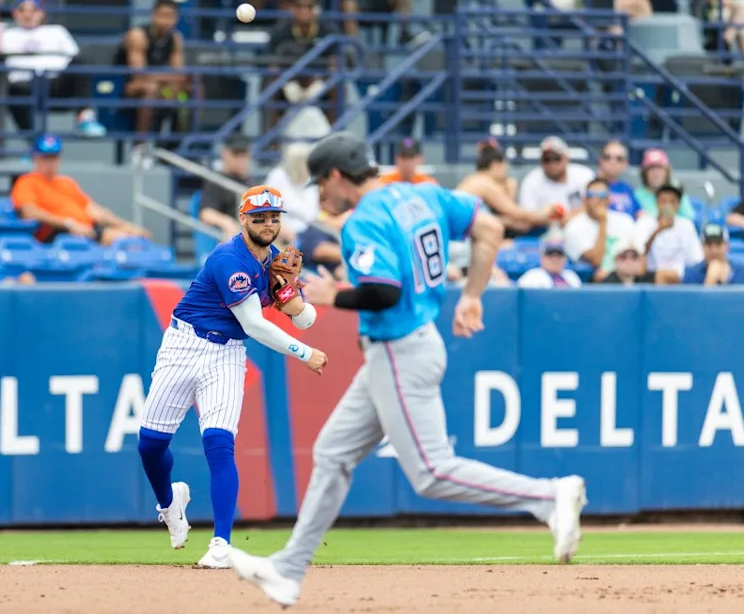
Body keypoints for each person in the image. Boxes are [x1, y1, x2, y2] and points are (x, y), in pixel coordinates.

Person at [227, 132, 587, 607]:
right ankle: (289, 570)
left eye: (322, 183)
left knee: (431, 471)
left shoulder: (364, 221)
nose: (321, 194)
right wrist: (472, 296)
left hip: (399, 348)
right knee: (333, 452)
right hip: (409, 344)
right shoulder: (424, 193)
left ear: (337, 176)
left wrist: (329, 296)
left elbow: (384, 291)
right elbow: (491, 231)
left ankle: (548, 496)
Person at [137, 185, 328, 570]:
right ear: (244, 219)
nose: (268, 224)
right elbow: (254, 324)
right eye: (260, 217)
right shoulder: (229, 258)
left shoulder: (275, 260)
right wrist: (304, 353)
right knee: (150, 446)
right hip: (183, 344)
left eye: (274, 217)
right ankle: (169, 503)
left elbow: (307, 319)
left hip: (225, 355)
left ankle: (221, 543)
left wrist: (293, 299)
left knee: (219, 444)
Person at [0, 0, 105, 137]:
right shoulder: (5, 35)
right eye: (22, 10)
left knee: (82, 61)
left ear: (41, 13)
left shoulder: (56, 31)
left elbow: (75, 58)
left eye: (33, 10)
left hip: (56, 82)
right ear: (14, 13)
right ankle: (34, 144)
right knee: (11, 90)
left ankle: (85, 118)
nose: (28, 15)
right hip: (23, 85)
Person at [11, 135, 149, 244]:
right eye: (46, 158)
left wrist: (125, 225)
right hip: (57, 234)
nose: (50, 163)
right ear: (36, 158)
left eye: (54, 157)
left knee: (134, 236)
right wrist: (68, 223)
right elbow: (29, 211)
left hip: (87, 229)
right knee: (123, 241)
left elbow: (93, 210)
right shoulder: (27, 181)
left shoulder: (66, 183)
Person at [116, 0, 188, 144]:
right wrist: (167, 78)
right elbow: (139, 75)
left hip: (163, 88)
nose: (166, 20)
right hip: (129, 88)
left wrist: (170, 81)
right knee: (151, 90)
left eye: (171, 16)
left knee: (187, 91)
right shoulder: (137, 36)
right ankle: (140, 145)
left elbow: (179, 74)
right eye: (162, 15)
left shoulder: (175, 38)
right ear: (153, 15)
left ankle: (178, 146)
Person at [457, 140, 558, 236]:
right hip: (461, 233)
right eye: (505, 167)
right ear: (496, 165)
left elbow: (502, 216)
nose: (506, 174)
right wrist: (543, 213)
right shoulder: (485, 183)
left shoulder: (474, 179)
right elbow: (515, 213)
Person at [563, 178, 636, 281]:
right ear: (585, 200)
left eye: (602, 195)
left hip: (628, 275)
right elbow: (596, 261)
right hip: (596, 281)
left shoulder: (625, 220)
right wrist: (603, 223)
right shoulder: (574, 226)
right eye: (592, 195)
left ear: (609, 199)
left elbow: (638, 256)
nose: (597, 199)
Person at [635, 183, 703, 279]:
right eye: (664, 201)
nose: (668, 206)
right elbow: (639, 254)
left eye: (672, 202)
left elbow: (695, 259)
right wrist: (658, 231)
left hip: (681, 277)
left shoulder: (687, 225)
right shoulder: (644, 222)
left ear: (678, 205)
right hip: (651, 276)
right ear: (657, 203)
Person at [518, 136, 595, 221]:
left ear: (566, 158)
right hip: (542, 230)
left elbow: (598, 203)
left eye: (556, 158)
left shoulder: (584, 175)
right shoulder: (531, 181)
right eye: (547, 159)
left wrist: (571, 216)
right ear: (541, 161)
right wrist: (544, 216)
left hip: (580, 226)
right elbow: (526, 216)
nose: (552, 163)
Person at [199, 134, 253, 239]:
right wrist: (226, 222)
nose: (241, 159)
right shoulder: (216, 181)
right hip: (230, 235)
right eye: (236, 154)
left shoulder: (250, 182)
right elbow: (206, 214)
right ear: (225, 154)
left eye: (244, 154)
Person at [264, 142, 319, 239]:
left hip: (311, 229)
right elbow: (269, 213)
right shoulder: (277, 176)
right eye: (298, 162)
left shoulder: (310, 179)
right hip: (284, 233)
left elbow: (313, 213)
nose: (301, 166)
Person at [634, 149, 694, 220]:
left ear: (666, 172)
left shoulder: (675, 191)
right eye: (651, 169)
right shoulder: (637, 195)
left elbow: (689, 218)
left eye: (660, 168)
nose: (656, 173)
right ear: (644, 173)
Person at [599, 238, 678, 285]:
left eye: (634, 257)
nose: (629, 261)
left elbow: (672, 276)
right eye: (623, 257)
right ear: (615, 260)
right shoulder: (607, 284)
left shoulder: (646, 280)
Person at [516, 235, 582, 288]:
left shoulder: (572, 276)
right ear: (542, 258)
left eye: (559, 255)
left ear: (565, 258)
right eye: (550, 255)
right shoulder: (532, 277)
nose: (555, 259)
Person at [596, 140, 640, 219]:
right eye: (607, 157)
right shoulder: (590, 185)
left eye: (619, 158)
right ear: (600, 160)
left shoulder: (627, 188)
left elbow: (640, 213)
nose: (613, 162)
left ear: (625, 163)